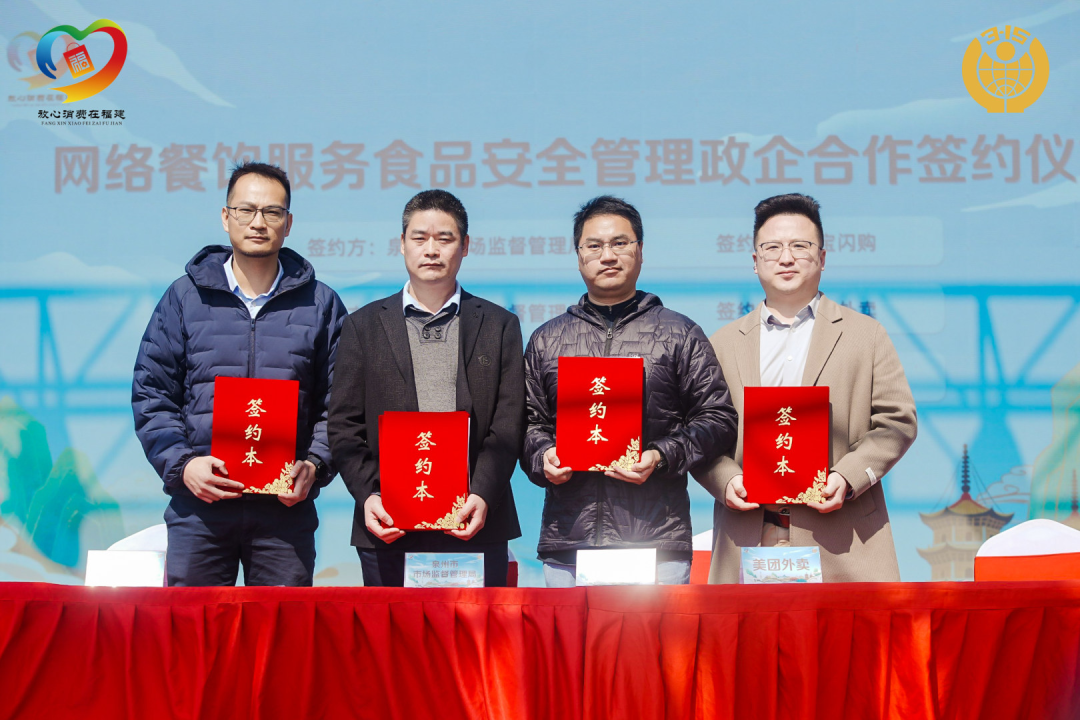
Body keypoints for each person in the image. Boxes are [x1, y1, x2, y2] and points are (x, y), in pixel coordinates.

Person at [132, 161, 346, 586]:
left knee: (282, 625)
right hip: (200, 507)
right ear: (225, 216)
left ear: (288, 223)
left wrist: (314, 464)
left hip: (284, 511)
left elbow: (339, 403)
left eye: (272, 212)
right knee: (194, 624)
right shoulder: (185, 298)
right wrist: (183, 465)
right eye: (246, 210)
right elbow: (152, 392)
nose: (258, 222)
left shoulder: (321, 304)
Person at [695, 193, 917, 582]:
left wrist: (847, 478)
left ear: (823, 257)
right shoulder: (722, 343)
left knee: (843, 626)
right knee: (753, 626)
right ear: (755, 260)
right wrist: (725, 479)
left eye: (800, 246)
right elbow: (701, 430)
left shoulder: (865, 334)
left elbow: (897, 421)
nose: (786, 258)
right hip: (752, 530)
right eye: (772, 248)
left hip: (841, 537)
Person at [521, 195, 738, 587]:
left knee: (656, 634)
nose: (608, 255)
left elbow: (718, 418)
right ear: (578, 256)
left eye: (620, 243)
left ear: (640, 251)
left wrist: (659, 456)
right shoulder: (546, 340)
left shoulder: (679, 333)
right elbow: (527, 423)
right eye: (594, 246)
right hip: (569, 542)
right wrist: (543, 456)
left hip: (656, 542)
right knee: (572, 633)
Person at [328, 189, 523, 587]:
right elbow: (344, 425)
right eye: (419, 238)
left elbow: (508, 422)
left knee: (477, 631)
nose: (431, 249)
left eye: (445, 238)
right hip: (389, 524)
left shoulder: (499, 325)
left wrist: (482, 494)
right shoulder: (363, 326)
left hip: (474, 520)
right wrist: (369, 496)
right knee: (393, 630)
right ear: (402, 244)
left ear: (465, 246)